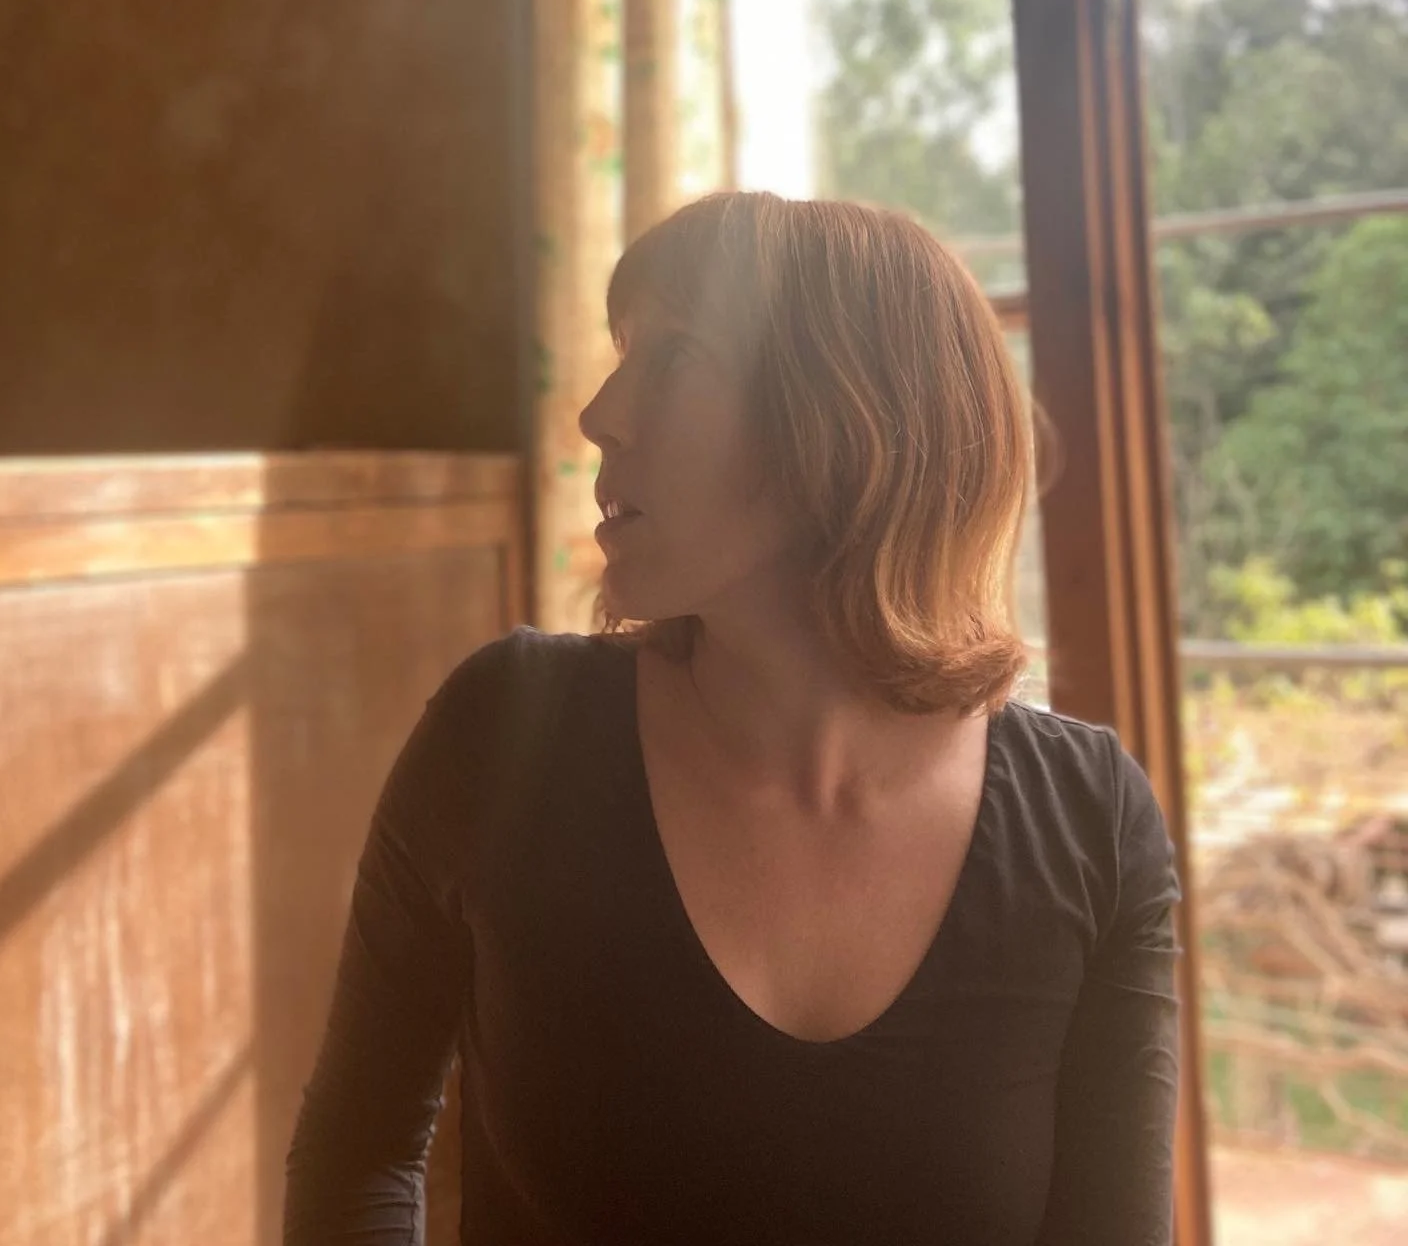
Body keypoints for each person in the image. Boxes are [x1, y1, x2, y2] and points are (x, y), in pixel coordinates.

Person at [283, 191, 1181, 1246]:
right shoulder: (504, 732)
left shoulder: (1091, 822)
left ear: (849, 423)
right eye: (624, 355)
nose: (599, 413)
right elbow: (358, 1154)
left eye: (672, 359)